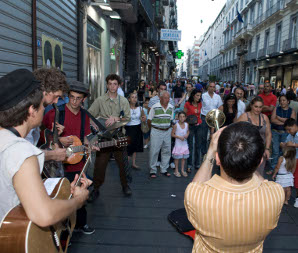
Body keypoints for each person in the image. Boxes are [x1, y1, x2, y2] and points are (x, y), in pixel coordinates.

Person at [0, 69, 90, 228]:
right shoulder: (22, 151)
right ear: (31, 111)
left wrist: (51, 155)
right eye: (42, 105)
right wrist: (78, 200)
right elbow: (44, 215)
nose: (48, 107)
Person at [184, 122, 284, 253]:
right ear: (259, 161)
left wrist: (210, 152)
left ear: (218, 159)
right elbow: (261, 178)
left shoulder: (196, 196)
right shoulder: (276, 194)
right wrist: (248, 158)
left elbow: (195, 187)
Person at [43, 80, 95, 234]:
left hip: (78, 162)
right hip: (59, 165)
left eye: (78, 98)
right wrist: (58, 139)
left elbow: (84, 137)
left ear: (83, 99)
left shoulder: (85, 115)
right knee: (61, 196)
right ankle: (62, 231)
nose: (74, 101)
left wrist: (89, 146)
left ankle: (80, 224)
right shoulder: (55, 113)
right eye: (71, 97)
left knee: (79, 191)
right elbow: (42, 137)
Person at [88, 74, 132, 202]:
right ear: (107, 85)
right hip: (104, 137)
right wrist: (95, 126)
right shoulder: (100, 100)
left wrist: (116, 118)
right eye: (110, 83)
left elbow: (127, 118)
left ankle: (125, 185)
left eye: (115, 84)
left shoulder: (123, 101)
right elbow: (90, 115)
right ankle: (95, 189)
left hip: (119, 136)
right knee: (100, 165)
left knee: (123, 163)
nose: (112, 86)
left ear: (118, 86)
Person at [26, 67, 69, 162]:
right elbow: (24, 155)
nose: (56, 101)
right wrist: (53, 155)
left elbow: (32, 142)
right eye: (56, 96)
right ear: (44, 92)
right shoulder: (27, 112)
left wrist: (50, 135)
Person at [237, 96, 272, 176]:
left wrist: (267, 148)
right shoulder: (245, 116)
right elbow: (235, 131)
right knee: (246, 175)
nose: (258, 109)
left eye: (260, 107)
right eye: (256, 106)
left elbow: (268, 134)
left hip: (261, 151)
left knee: (259, 175)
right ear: (251, 106)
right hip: (247, 151)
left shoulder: (264, 118)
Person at [147, 91, 174, 178]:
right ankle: (152, 170)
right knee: (154, 151)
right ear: (161, 98)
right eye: (165, 98)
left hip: (167, 131)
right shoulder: (155, 107)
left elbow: (171, 120)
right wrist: (153, 129)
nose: (167, 99)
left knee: (166, 151)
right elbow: (149, 120)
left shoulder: (171, 107)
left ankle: (164, 169)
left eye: (168, 98)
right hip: (156, 130)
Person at [270, 94, 296, 171]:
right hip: (275, 132)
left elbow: (291, 123)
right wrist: (285, 122)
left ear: (288, 101)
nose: (282, 102)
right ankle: (273, 168)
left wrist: (279, 118)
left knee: (283, 151)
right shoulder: (276, 109)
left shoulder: (292, 110)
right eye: (280, 100)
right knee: (275, 151)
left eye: (284, 100)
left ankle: (282, 169)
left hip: (286, 133)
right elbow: (272, 120)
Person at [200, 82, 223, 161]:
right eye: (210, 86)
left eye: (213, 87)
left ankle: (212, 153)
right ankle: (203, 153)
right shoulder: (203, 96)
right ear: (207, 87)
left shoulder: (217, 97)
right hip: (204, 117)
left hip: (214, 118)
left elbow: (220, 107)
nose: (212, 88)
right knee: (203, 136)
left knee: (213, 137)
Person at [125, 92, 146, 169]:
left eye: (135, 97)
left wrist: (144, 119)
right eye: (132, 97)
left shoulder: (140, 108)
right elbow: (122, 119)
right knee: (129, 147)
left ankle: (133, 163)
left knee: (135, 147)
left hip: (138, 128)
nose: (134, 99)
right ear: (129, 99)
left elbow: (144, 118)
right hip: (129, 129)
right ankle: (126, 164)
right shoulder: (126, 109)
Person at [184, 89, 203, 172]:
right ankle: (189, 164)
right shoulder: (187, 104)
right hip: (190, 126)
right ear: (193, 95)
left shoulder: (200, 104)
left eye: (200, 96)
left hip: (199, 126)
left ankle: (197, 163)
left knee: (198, 145)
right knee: (190, 146)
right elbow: (184, 116)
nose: (199, 97)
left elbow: (199, 114)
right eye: (197, 95)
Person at [282, 118, 298, 208]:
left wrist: (294, 145)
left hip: (296, 159)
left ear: (295, 126)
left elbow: (292, 144)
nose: (288, 131)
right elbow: (286, 142)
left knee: (296, 178)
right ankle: (287, 197)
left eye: (289, 129)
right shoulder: (291, 135)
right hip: (294, 158)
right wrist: (283, 144)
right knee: (293, 178)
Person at [171, 111, 189, 178]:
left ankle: (182, 170)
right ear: (178, 117)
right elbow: (172, 134)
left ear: (185, 117)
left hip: (184, 143)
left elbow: (187, 131)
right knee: (177, 158)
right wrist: (178, 137)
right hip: (178, 143)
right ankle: (176, 170)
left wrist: (187, 134)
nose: (182, 118)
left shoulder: (187, 124)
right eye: (180, 117)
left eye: (183, 116)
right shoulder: (176, 125)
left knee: (184, 158)